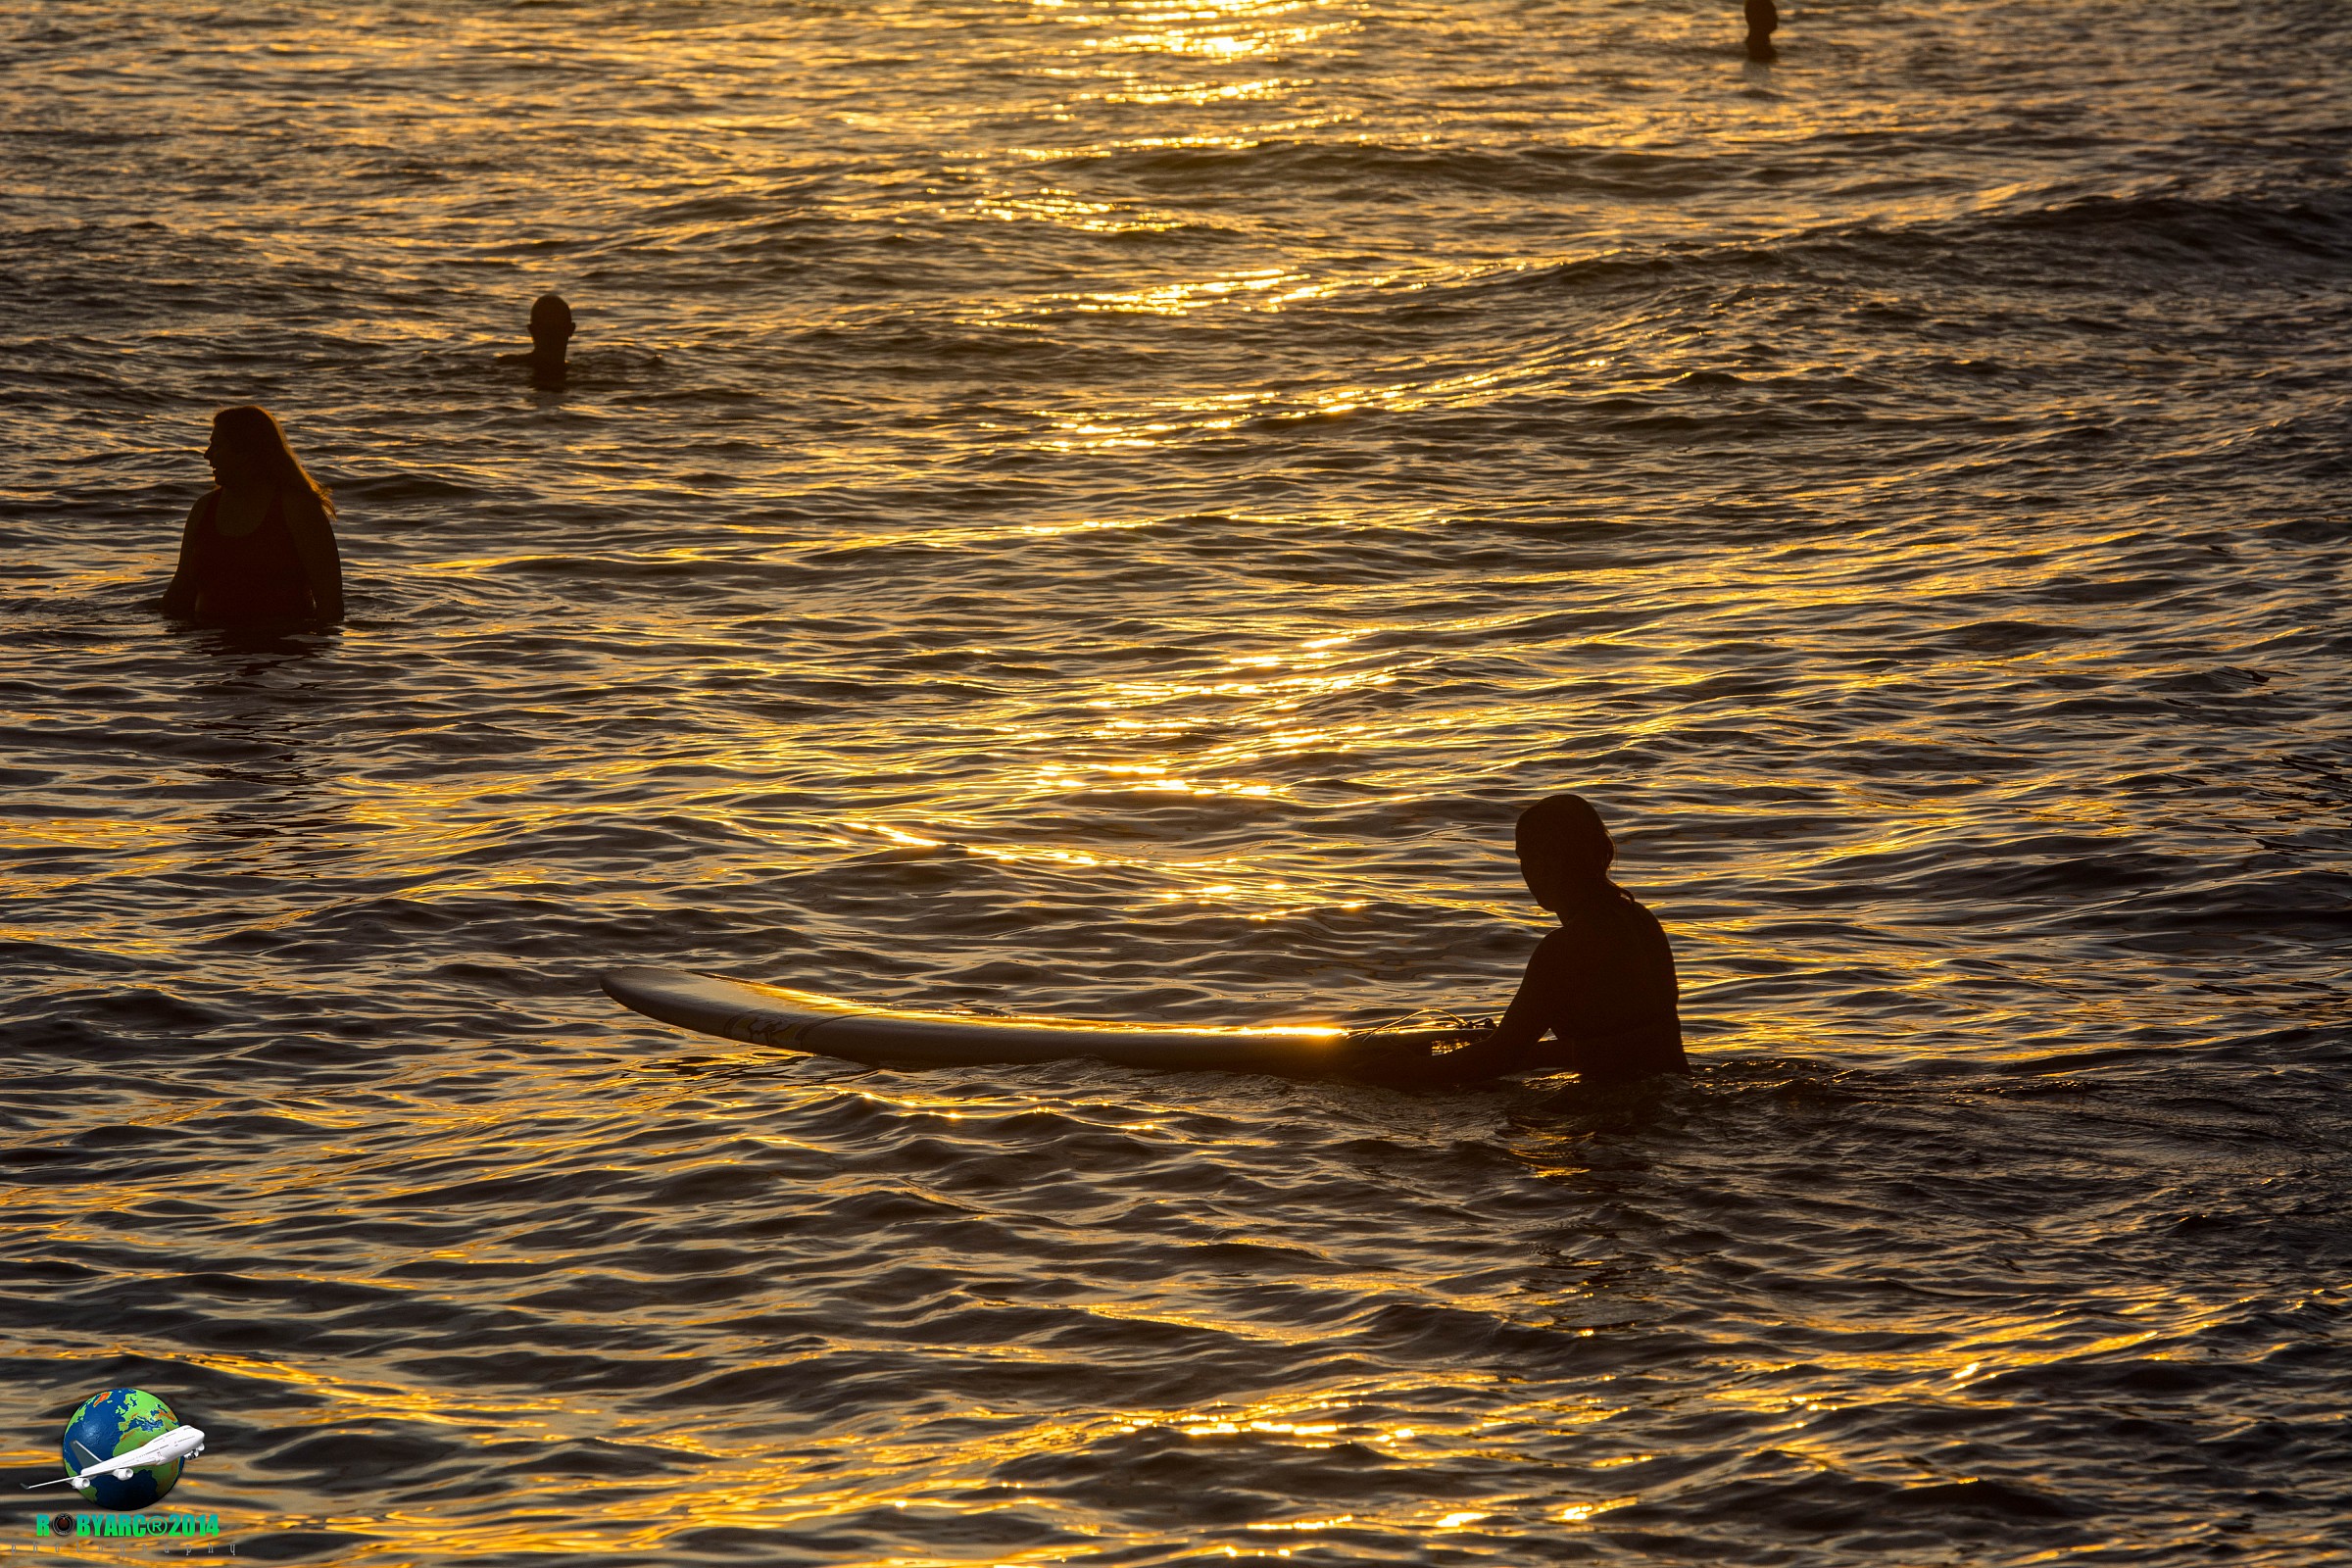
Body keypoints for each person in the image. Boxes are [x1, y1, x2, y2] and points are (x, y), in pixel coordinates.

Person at [1378, 795, 1687, 1087]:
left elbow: (1500, 1055)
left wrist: (1413, 1070)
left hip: (1620, 1114)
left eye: (1525, 858)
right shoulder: (1642, 920)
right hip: (1675, 1093)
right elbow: (1638, 1043)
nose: (1525, 871)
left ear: (1549, 862)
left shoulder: (1565, 947)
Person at [160, 406, 343, 624]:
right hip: (210, 647)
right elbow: (180, 592)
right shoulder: (204, 508)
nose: (207, 455)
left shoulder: (298, 509)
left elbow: (330, 605)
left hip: (282, 646)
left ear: (247, 452)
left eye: (216, 446)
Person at [500, 292, 575, 379]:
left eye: (555, 328)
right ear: (571, 329)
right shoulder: (580, 373)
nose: (551, 335)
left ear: (532, 330)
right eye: (547, 329)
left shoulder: (507, 366)